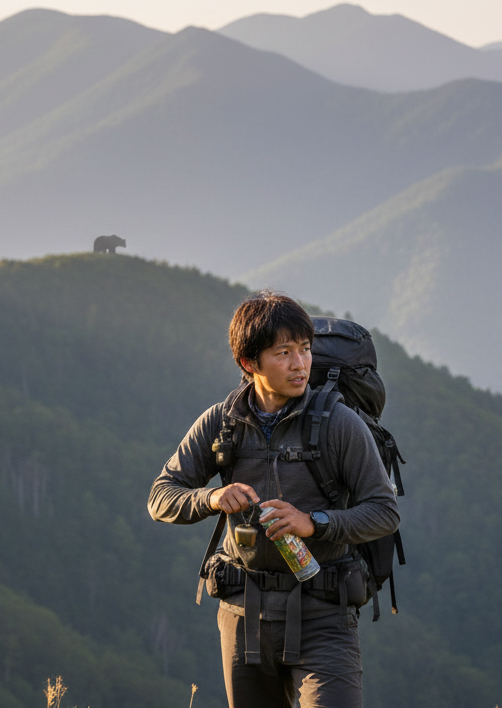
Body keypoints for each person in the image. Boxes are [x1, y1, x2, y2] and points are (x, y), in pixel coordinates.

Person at [148, 290, 400, 708]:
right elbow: (161, 497)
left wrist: (315, 522)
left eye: (305, 349)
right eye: (284, 352)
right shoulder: (222, 422)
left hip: (324, 614)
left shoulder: (339, 423)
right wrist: (212, 499)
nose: (300, 364)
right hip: (242, 617)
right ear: (249, 363)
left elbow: (384, 510)